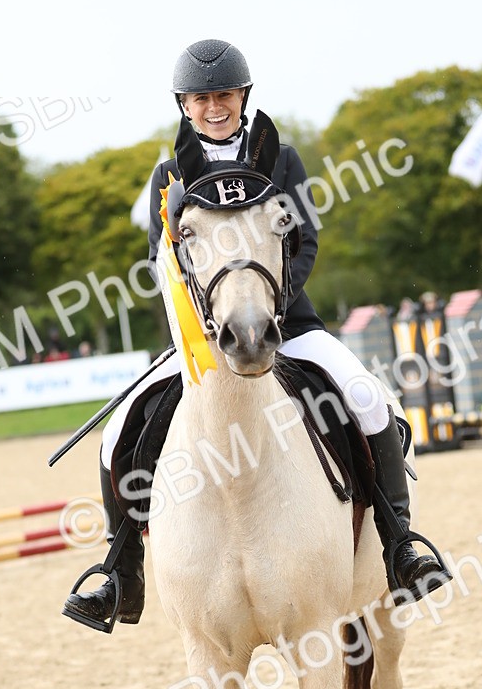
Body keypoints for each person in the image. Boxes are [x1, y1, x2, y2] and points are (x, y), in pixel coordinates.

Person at [64, 40, 451, 632]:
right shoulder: (168, 176)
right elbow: (161, 261)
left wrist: (269, 307)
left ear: (242, 97)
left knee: (368, 398)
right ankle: (121, 572)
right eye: (202, 98)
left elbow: (306, 243)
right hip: (203, 335)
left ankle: (400, 545)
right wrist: (204, 325)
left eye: (224, 94)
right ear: (184, 105)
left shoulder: (282, 160)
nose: (214, 106)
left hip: (286, 324)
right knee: (117, 432)